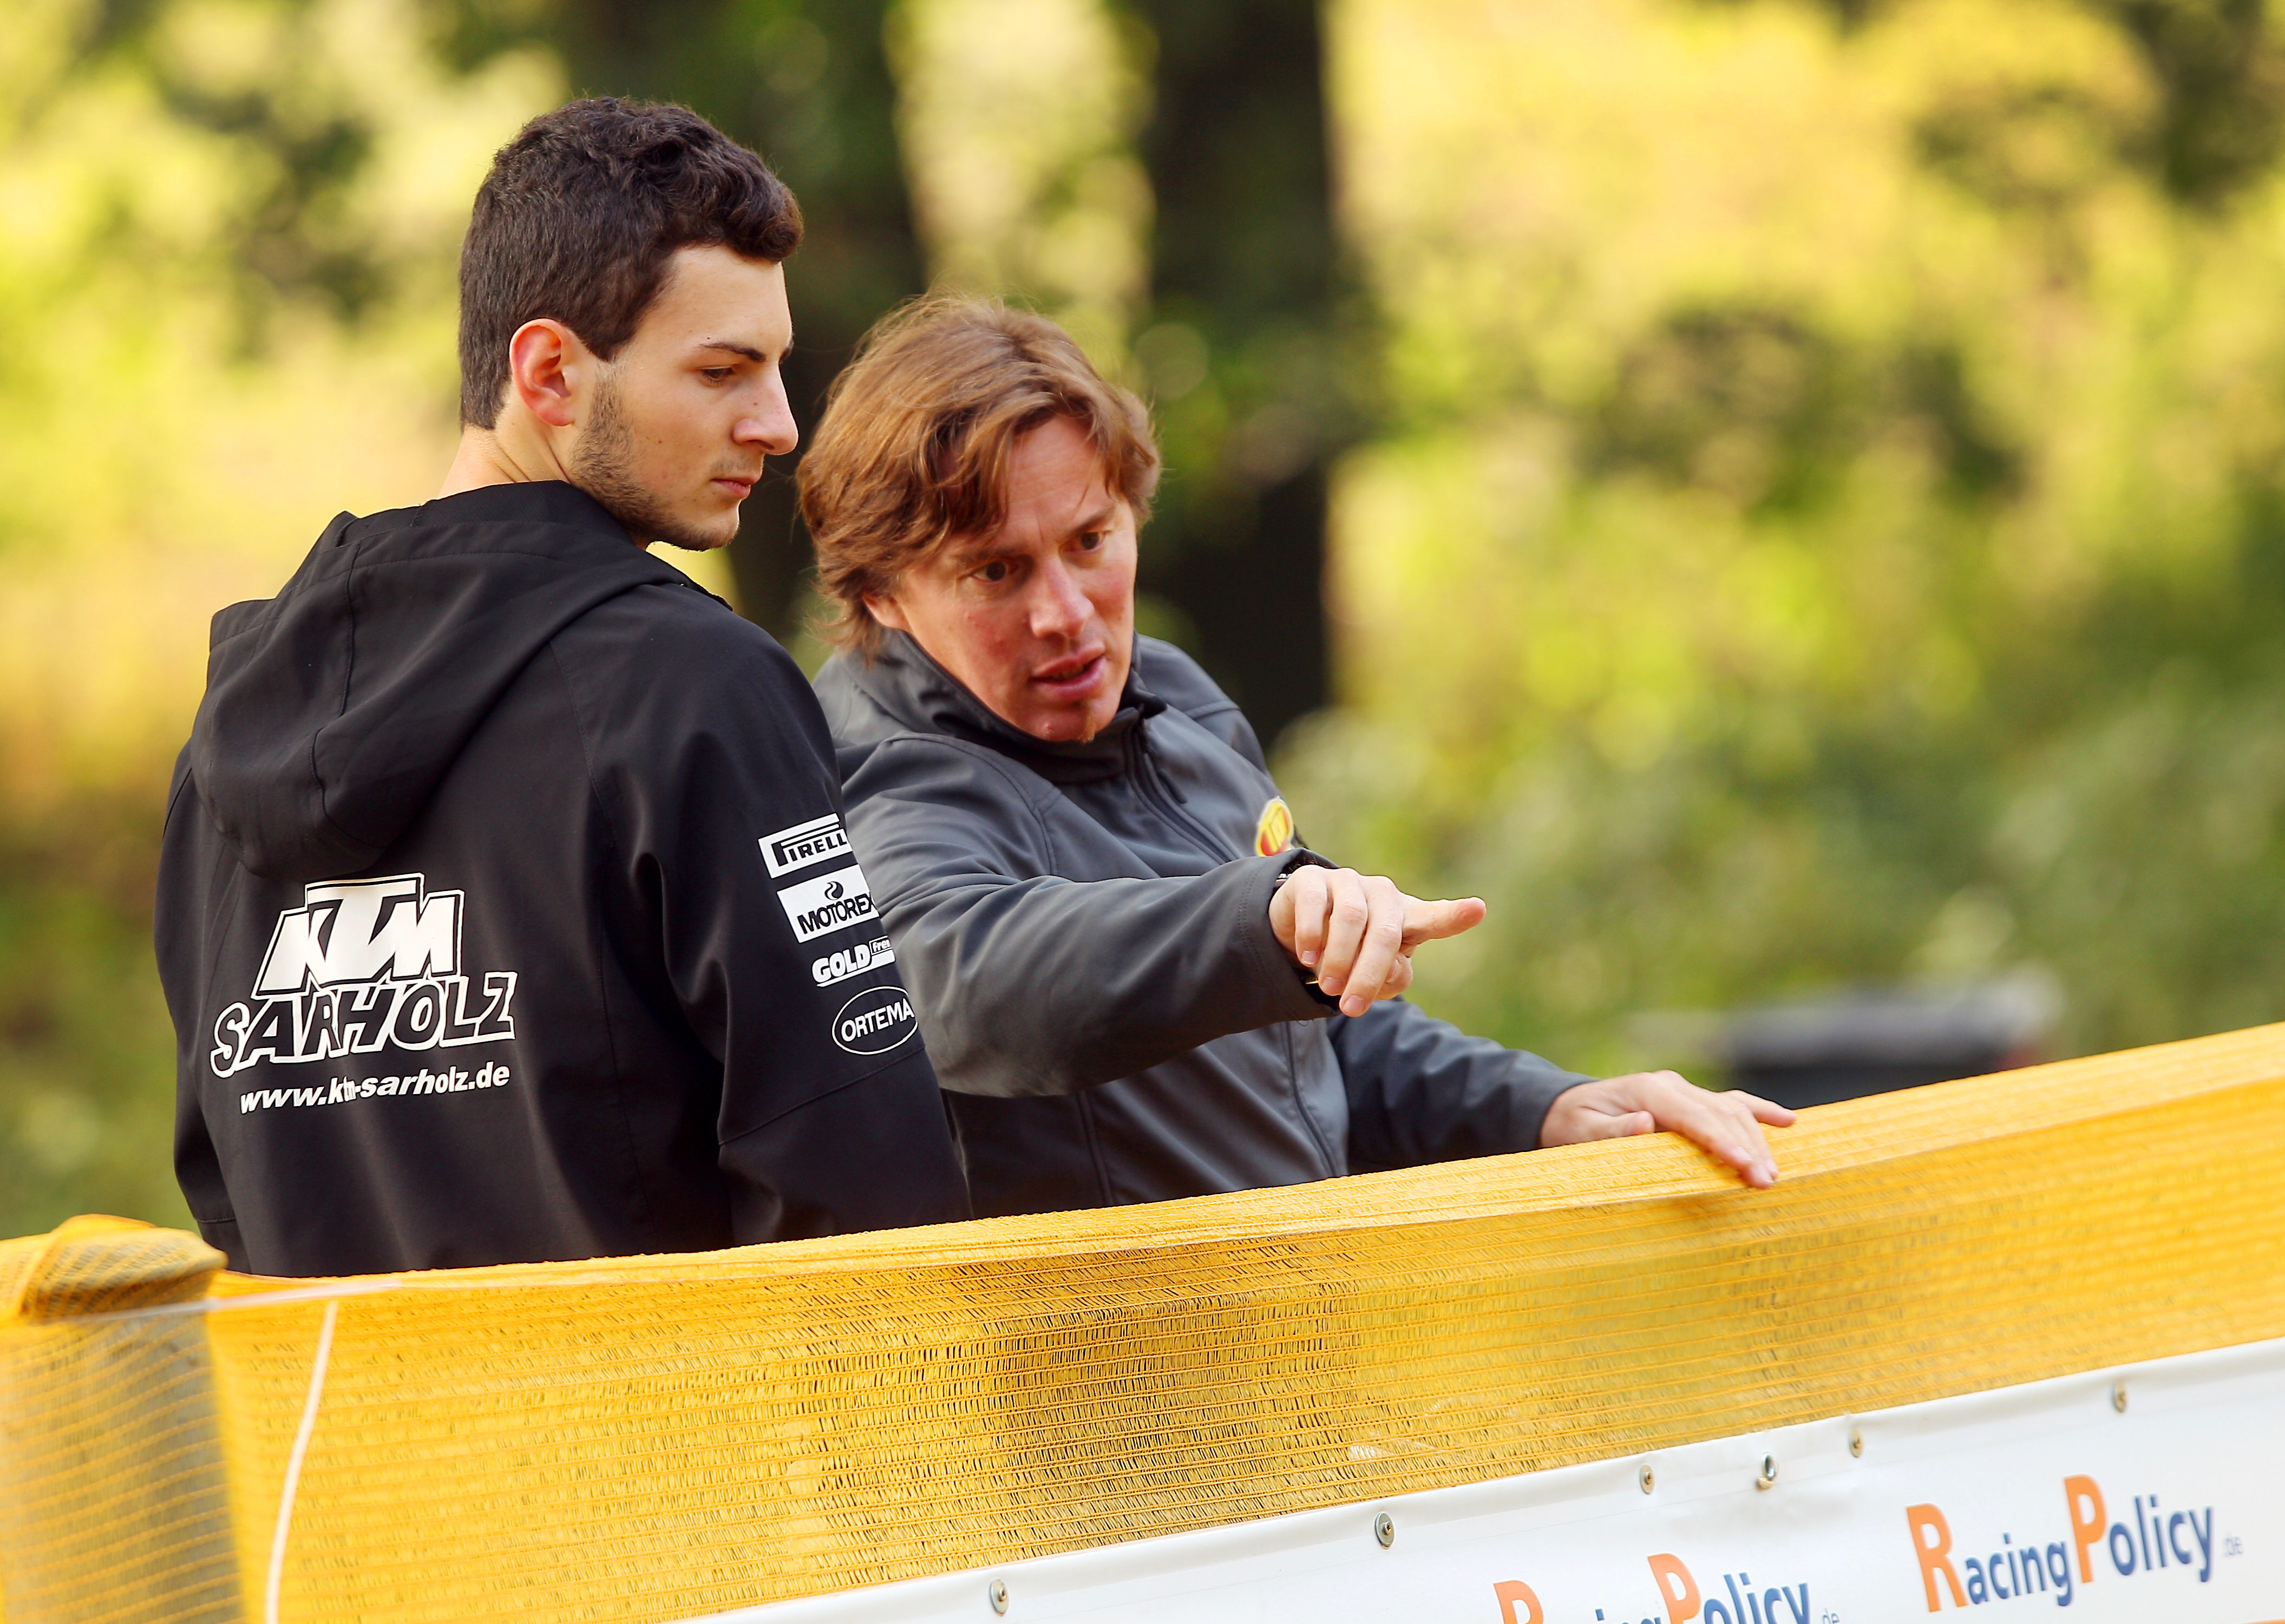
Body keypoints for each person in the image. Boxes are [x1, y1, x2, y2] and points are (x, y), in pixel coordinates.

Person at [154, 100, 969, 1278]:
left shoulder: (229, 730)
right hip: (673, 1407)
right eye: (722, 371)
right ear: (549, 374)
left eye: (777, 370)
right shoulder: (700, 690)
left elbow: (224, 1201)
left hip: (335, 1408)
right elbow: (863, 1186)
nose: (780, 425)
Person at [798, 298, 1792, 1217]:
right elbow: (966, 985)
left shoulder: (1174, 699)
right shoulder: (871, 780)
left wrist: (1549, 1106)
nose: (1064, 614)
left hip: (1307, 1328)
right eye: (995, 571)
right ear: (882, 595)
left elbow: (1321, 1040)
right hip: (1099, 1353)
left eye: (1091, 540)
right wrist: (1261, 918)